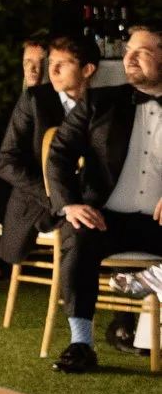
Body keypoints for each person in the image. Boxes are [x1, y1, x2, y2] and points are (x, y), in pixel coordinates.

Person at [45, 24, 162, 372]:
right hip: (106, 218)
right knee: (78, 237)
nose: (130, 58)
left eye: (142, 52)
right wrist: (69, 204)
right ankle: (81, 344)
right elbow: (59, 154)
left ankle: (151, 280)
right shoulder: (100, 101)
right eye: (129, 51)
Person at [0, 32, 92, 265]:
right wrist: (59, 198)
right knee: (80, 227)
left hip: (90, 200)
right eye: (52, 64)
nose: (52, 71)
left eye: (62, 64)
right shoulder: (35, 101)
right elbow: (6, 163)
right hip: (40, 202)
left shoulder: (101, 105)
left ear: (87, 70)